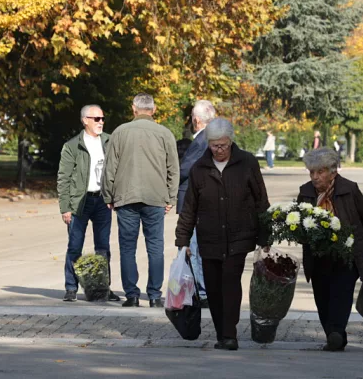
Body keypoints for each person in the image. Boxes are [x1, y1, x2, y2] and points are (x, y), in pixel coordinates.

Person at [175, 118, 270, 351]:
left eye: (223, 145)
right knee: (214, 287)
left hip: (239, 236)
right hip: (209, 237)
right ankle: (221, 332)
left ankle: (230, 334)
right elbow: (190, 207)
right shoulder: (200, 168)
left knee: (230, 283)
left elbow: (261, 201)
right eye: (215, 145)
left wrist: (265, 238)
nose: (219, 150)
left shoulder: (247, 162)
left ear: (231, 141)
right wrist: (183, 240)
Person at [297, 148, 363, 351]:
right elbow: (298, 222)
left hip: (347, 254)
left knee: (341, 295)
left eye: (320, 172)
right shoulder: (305, 192)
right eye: (312, 172)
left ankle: (336, 332)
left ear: (333, 171)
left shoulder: (349, 189)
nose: (315, 177)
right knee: (322, 296)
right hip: (318, 256)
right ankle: (332, 335)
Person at [102, 93, 179, 308]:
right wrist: (171, 197)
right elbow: (173, 168)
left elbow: (110, 167)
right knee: (155, 247)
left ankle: (132, 296)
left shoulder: (119, 132)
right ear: (153, 110)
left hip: (126, 197)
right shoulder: (165, 133)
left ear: (134, 109)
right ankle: (154, 295)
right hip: (156, 197)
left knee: (127, 247)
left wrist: (108, 195)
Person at [57, 105, 120, 303]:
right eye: (96, 119)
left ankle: (103, 289)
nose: (101, 122)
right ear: (85, 120)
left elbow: (118, 170)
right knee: (74, 246)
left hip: (103, 201)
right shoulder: (73, 145)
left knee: (103, 247)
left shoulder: (110, 141)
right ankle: (71, 287)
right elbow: (63, 178)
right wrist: (65, 207)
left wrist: (113, 197)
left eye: (102, 118)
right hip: (80, 202)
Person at [175, 99, 216, 307]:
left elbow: (186, 169)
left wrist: (169, 177)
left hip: (193, 201)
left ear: (196, 120)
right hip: (201, 201)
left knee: (192, 247)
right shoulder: (210, 138)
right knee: (195, 247)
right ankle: (200, 289)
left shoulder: (202, 140)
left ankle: (201, 291)